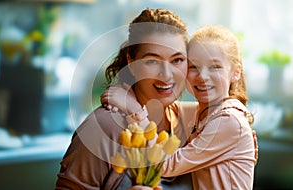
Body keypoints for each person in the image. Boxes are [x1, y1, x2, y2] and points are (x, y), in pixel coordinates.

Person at [102, 25, 257, 189]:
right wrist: (131, 95)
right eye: (193, 67)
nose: (203, 76)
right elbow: (168, 106)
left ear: (236, 72)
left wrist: (135, 110)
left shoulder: (229, 121)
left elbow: (166, 165)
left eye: (215, 67)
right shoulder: (205, 112)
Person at [56, 8, 194, 190]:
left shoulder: (193, 122)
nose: (166, 75)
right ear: (131, 63)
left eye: (177, 60)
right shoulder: (103, 127)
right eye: (152, 61)